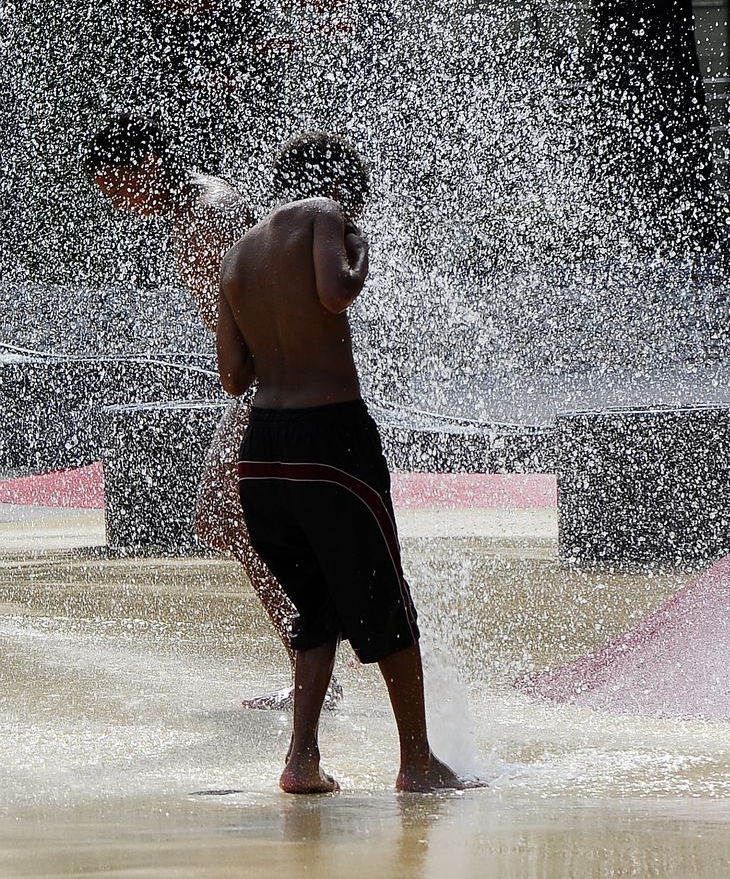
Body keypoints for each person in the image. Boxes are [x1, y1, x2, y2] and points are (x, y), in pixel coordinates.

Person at [216, 131, 473, 793]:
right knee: (384, 598)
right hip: (328, 441)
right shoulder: (324, 215)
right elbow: (335, 293)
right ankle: (417, 762)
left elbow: (232, 375)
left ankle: (301, 760)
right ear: (343, 190)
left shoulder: (238, 254)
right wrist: (358, 256)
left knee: (314, 607)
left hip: (263, 454)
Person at [83, 114, 335, 710]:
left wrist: (249, 388)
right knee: (228, 521)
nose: (116, 203)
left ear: (142, 169)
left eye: (114, 187)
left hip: (269, 383)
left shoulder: (207, 215)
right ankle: (312, 652)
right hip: (266, 382)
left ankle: (314, 653)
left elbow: (249, 318)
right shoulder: (200, 206)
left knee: (229, 519)